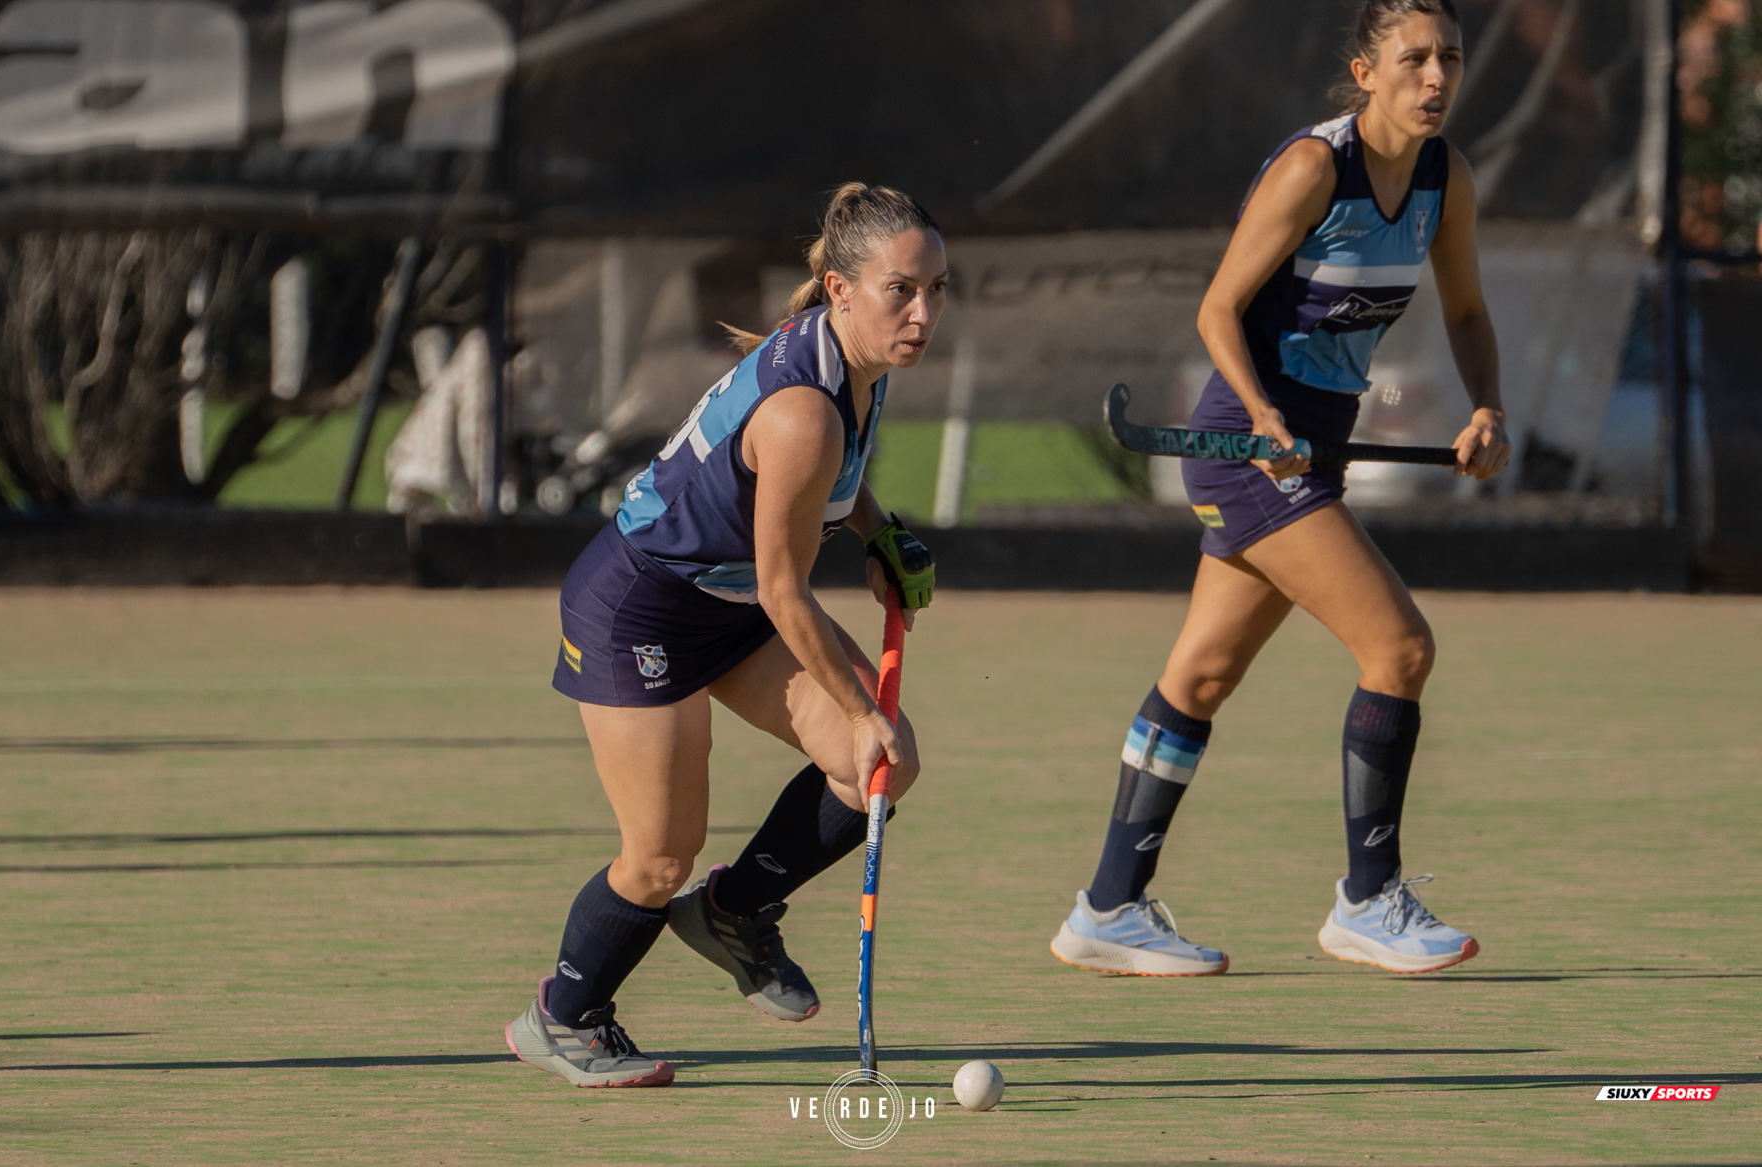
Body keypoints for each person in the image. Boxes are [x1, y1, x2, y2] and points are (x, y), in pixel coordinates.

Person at [1052, 0, 1508, 978]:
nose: (1436, 77)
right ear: (1365, 70)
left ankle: (1107, 907)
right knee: (1399, 645)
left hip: (1315, 450)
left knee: (1202, 678)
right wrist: (1261, 414)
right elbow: (1219, 308)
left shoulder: (1444, 178)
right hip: (1245, 449)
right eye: (1414, 58)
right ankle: (1367, 899)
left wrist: (1488, 410)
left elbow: (1468, 310)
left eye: (1451, 58)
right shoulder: (1315, 168)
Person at [505, 184, 945, 1087]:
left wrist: (878, 531)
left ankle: (735, 912)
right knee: (662, 852)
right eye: (903, 290)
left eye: (937, 287)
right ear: (839, 289)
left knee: (880, 768)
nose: (925, 312)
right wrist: (861, 705)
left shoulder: (855, 366)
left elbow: (833, 478)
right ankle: (564, 1014)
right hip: (641, 610)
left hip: (728, 602)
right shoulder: (802, 409)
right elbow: (787, 589)